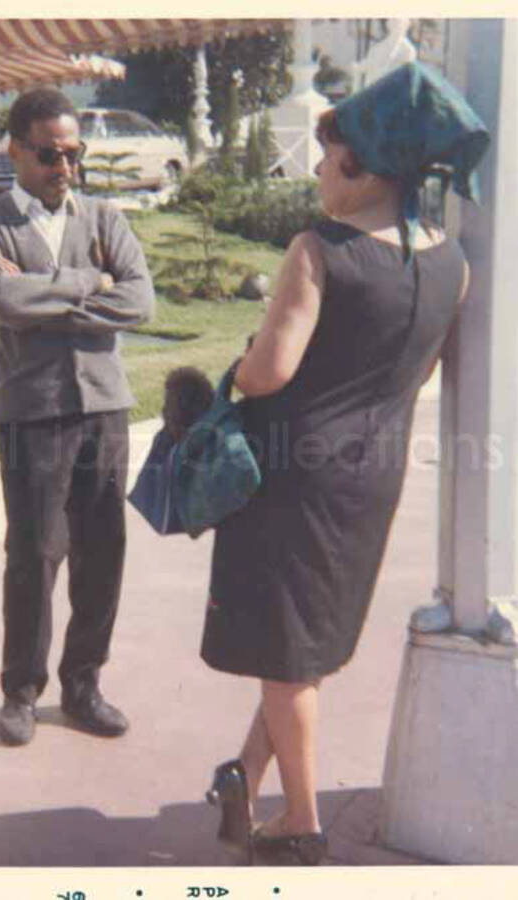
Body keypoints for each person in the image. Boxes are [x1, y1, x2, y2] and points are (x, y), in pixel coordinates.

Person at [199, 62, 489, 865]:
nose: (320, 175)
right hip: (373, 473)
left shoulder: (318, 249)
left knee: (289, 659)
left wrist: (240, 362)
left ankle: (299, 822)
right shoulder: (449, 262)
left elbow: (268, 373)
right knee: (304, 645)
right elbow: (418, 369)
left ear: (360, 165)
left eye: (328, 161)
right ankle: (240, 775)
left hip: (295, 475)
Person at [0, 88, 155, 746]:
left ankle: (83, 684)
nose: (62, 164)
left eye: (73, 152)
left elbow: (140, 300)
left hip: (103, 405)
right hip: (33, 411)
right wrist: (87, 281)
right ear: (14, 150)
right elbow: (1, 298)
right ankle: (20, 691)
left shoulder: (102, 216)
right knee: (34, 553)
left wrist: (48, 292)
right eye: (48, 152)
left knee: (102, 552)